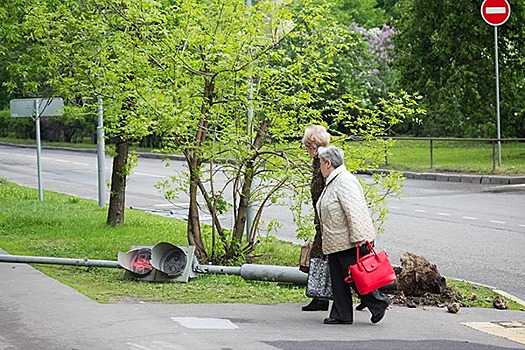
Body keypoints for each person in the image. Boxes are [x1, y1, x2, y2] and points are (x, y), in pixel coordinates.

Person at [316, 145, 390, 324]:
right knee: (339, 281)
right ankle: (342, 314)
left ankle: (379, 302)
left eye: (320, 163)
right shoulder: (335, 180)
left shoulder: (344, 181)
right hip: (336, 241)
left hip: (348, 241)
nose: (319, 168)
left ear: (328, 163)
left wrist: (358, 237)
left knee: (358, 278)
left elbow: (355, 210)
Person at [301, 125, 330, 311]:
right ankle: (319, 296)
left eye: (308, 147)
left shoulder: (326, 160)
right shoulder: (317, 160)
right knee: (319, 255)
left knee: (322, 255)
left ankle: (321, 297)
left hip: (326, 218)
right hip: (321, 217)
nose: (307, 151)